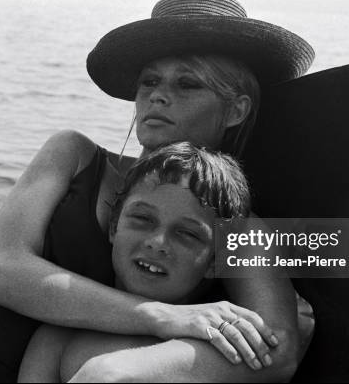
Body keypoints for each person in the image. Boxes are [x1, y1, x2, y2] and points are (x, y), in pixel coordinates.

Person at [0, 0, 315, 382]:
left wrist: (122, 368)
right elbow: (7, 274)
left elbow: (277, 350)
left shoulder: (236, 225)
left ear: (235, 110)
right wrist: (162, 317)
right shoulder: (74, 155)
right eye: (149, 81)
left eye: (187, 83)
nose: (156, 95)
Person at [18, 142, 255, 382]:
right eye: (143, 218)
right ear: (113, 227)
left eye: (188, 234)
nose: (158, 242)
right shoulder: (58, 338)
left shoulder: (223, 345)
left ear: (214, 262)